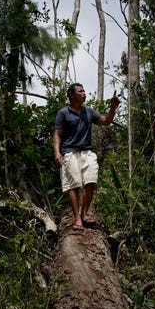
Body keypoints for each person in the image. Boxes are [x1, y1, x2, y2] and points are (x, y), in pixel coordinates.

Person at [54, 83, 120, 231]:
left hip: (86, 152)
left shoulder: (89, 112)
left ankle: (83, 214)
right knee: (74, 186)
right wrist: (57, 153)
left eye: (84, 90)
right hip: (69, 153)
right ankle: (77, 218)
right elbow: (57, 134)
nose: (84, 93)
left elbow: (106, 121)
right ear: (72, 95)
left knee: (91, 182)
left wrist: (113, 107)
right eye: (80, 91)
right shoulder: (63, 113)